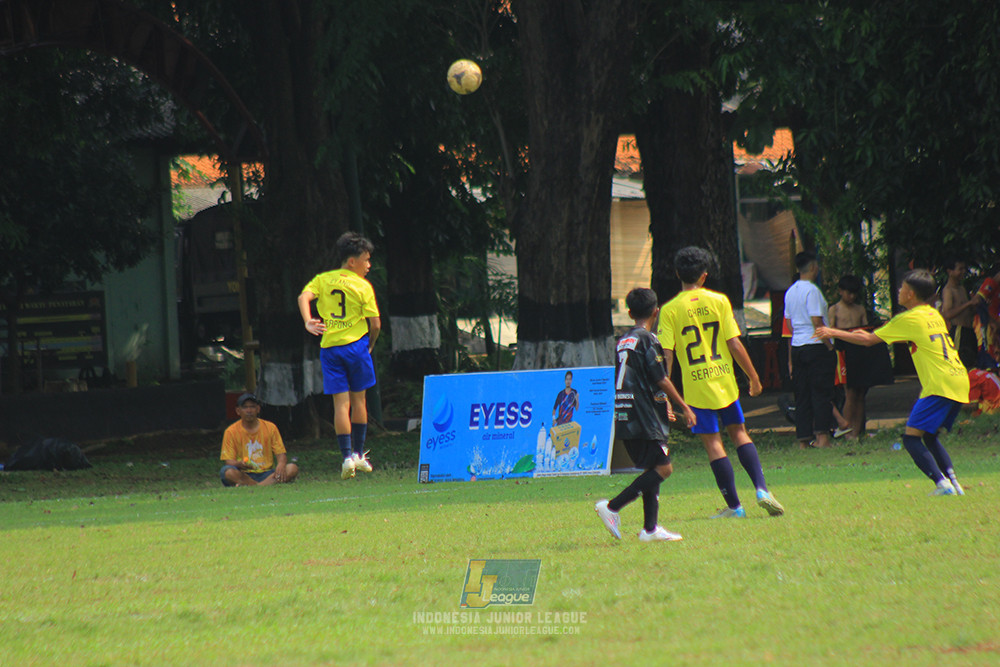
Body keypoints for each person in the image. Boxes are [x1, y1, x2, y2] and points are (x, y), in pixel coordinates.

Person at [815, 269, 970, 496]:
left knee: (911, 439)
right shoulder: (932, 314)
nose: (899, 291)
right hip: (959, 379)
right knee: (929, 436)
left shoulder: (908, 318)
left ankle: (942, 484)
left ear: (910, 294)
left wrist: (833, 332)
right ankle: (954, 484)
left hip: (939, 384)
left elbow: (868, 340)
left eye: (902, 288)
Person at [658, 246, 785, 518]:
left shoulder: (669, 310)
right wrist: (753, 377)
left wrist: (665, 393)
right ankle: (762, 489)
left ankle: (735, 507)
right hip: (724, 381)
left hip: (696, 387)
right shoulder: (719, 301)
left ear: (678, 274)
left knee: (713, 443)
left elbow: (666, 354)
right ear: (704, 275)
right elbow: (734, 344)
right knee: (739, 433)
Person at [595, 287, 695, 542]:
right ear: (656, 312)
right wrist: (683, 405)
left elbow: (640, 377)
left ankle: (650, 530)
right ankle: (612, 507)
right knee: (664, 468)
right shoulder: (648, 339)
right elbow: (660, 377)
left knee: (653, 467)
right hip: (643, 415)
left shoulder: (623, 341)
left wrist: (664, 403)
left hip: (626, 412)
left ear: (629, 313)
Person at [298, 232, 381, 480]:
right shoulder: (362, 286)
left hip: (331, 349)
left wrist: (308, 321)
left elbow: (304, 297)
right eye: (366, 260)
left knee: (340, 405)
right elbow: (375, 324)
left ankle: (346, 458)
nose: (369, 265)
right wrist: (370, 345)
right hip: (356, 347)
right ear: (352, 261)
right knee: (359, 402)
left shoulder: (324, 279)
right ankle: (358, 454)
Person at [784, 251, 836, 448]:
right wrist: (829, 345)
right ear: (813, 267)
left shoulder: (791, 292)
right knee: (821, 392)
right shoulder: (812, 291)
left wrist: (798, 336)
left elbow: (789, 324)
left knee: (802, 394)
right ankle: (822, 436)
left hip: (798, 345)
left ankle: (803, 438)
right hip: (815, 345)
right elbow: (817, 320)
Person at [220, 393, 299, 486]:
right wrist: (240, 463)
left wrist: (281, 464)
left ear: (258, 409)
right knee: (227, 472)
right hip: (244, 474)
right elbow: (229, 461)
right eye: (245, 407)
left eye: (252, 407)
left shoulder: (270, 427)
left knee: (292, 468)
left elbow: (281, 454)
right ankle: (263, 485)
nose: (249, 411)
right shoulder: (231, 431)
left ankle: (255, 486)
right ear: (238, 411)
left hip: (267, 473)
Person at [828, 274, 869, 439]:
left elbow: (866, 330)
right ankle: (847, 432)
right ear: (840, 291)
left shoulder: (860, 309)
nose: (851, 297)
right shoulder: (835, 309)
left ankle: (856, 432)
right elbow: (831, 330)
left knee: (860, 393)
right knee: (850, 393)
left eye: (854, 293)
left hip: (860, 350)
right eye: (848, 293)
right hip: (843, 351)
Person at [939, 258, 979, 370]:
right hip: (958, 331)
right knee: (959, 363)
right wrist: (968, 304)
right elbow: (947, 314)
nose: (963, 272)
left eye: (964, 269)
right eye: (960, 269)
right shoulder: (948, 290)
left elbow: (967, 312)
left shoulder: (962, 288)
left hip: (969, 330)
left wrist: (974, 306)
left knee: (972, 362)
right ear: (950, 271)